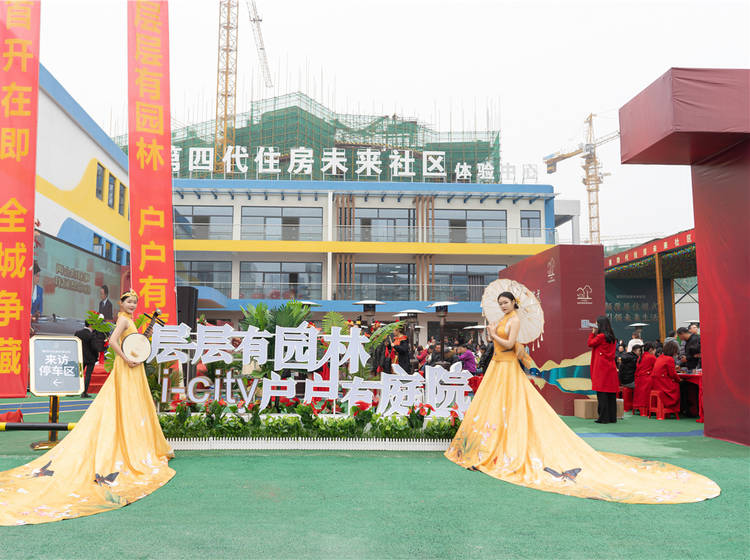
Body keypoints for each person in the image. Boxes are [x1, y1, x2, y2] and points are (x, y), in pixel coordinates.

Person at [445, 291, 720, 503]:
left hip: (509, 367)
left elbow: (509, 344)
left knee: (523, 405)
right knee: (498, 406)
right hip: (500, 367)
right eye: (500, 303)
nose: (503, 306)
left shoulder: (514, 321)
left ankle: (515, 444)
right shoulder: (504, 320)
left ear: (514, 304)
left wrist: (493, 334)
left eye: (506, 302)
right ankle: (495, 443)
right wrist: (494, 332)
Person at [0, 289, 175, 526]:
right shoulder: (124, 320)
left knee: (130, 404)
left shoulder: (130, 320)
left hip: (133, 367)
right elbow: (113, 342)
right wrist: (126, 358)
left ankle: (133, 443)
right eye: (129, 302)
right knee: (124, 404)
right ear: (121, 303)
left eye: (135, 302)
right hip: (127, 367)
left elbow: (131, 342)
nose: (133, 305)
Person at [588, 316, 620, 424]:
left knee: (602, 393)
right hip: (610, 366)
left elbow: (590, 343)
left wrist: (593, 333)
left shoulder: (601, 336)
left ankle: (603, 418)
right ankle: (612, 417)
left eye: (596, 324)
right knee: (611, 393)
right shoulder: (612, 337)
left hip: (601, 367)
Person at [74, 320, 105, 398]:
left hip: (80, 357)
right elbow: (95, 347)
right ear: (91, 325)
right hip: (91, 358)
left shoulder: (78, 333)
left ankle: (73, 391)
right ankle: (84, 393)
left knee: (78, 375)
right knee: (88, 375)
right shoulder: (92, 335)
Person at [651, 340, 682, 411]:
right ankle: (677, 408)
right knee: (681, 385)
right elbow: (672, 374)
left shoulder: (660, 357)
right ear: (673, 351)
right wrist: (679, 379)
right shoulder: (669, 359)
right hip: (663, 384)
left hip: (656, 384)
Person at [633, 342, 657, 410]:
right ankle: (652, 407)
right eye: (655, 350)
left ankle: (641, 407)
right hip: (647, 380)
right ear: (651, 349)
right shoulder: (652, 357)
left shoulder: (640, 357)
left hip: (638, 380)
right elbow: (657, 368)